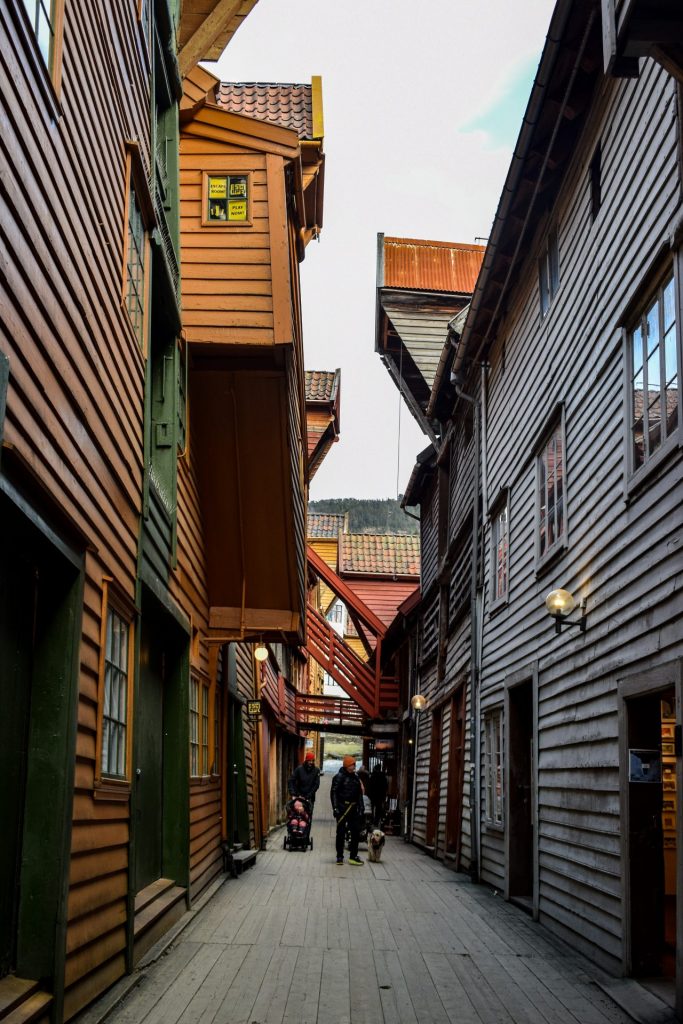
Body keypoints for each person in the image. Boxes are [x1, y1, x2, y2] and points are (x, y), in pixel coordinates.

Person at [330, 755, 364, 865]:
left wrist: (361, 807)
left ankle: (353, 856)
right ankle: (339, 856)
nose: (354, 766)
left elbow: (359, 794)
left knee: (355, 833)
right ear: (346, 765)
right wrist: (335, 808)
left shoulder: (356, 778)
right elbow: (333, 793)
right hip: (342, 809)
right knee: (340, 833)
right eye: (351, 764)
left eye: (354, 764)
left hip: (353, 809)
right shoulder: (339, 777)